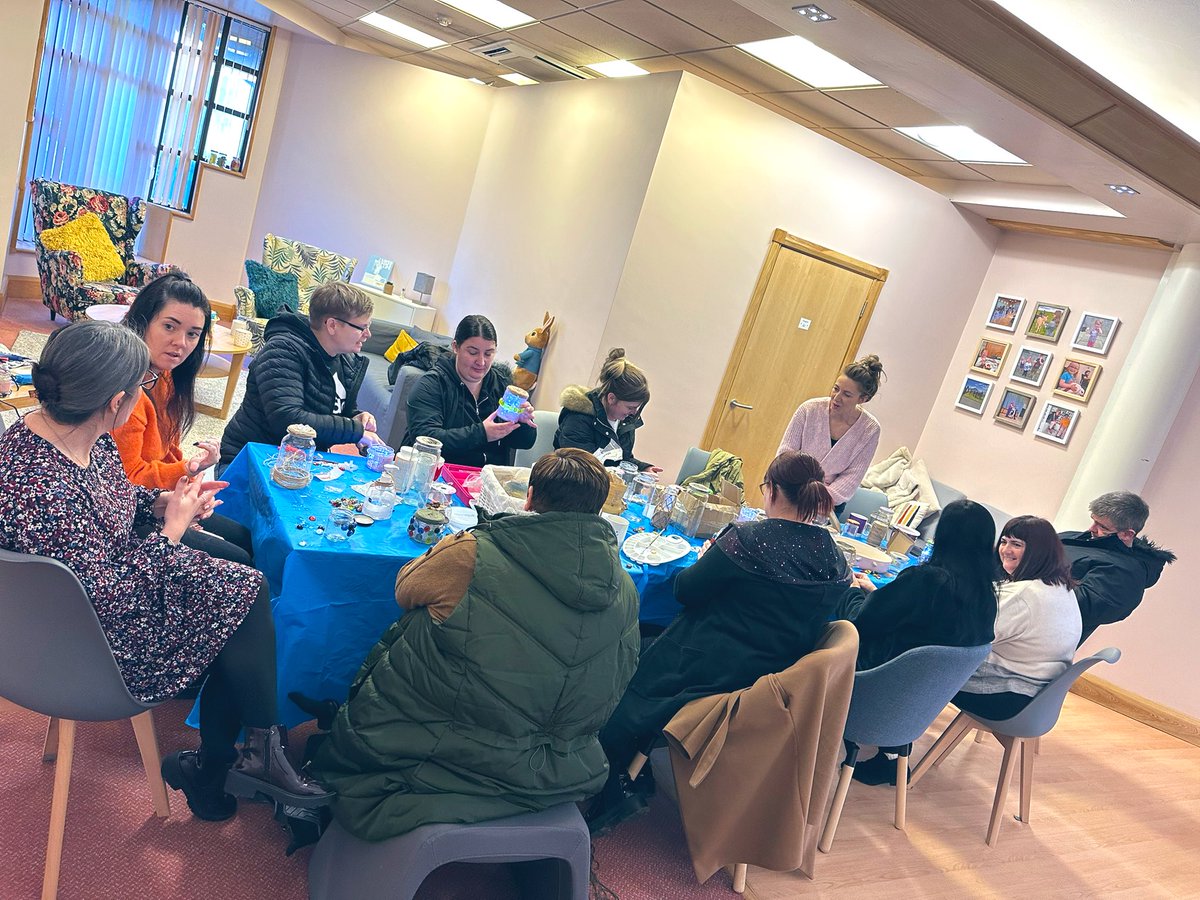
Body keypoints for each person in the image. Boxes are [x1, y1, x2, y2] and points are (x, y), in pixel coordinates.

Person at [0, 321, 326, 823]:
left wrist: (159, 503)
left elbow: (113, 500)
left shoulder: (69, 435)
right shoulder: (47, 487)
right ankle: (235, 759)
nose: (144, 395)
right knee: (238, 599)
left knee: (240, 586)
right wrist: (171, 531)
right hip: (86, 646)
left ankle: (232, 760)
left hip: (67, 613)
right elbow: (111, 600)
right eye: (140, 387)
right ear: (115, 401)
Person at [310, 448, 639, 841]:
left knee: (423, 619)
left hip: (448, 753)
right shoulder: (626, 585)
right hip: (561, 766)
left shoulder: (473, 552)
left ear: (529, 497)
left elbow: (405, 589)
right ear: (600, 511)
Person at [588, 451, 851, 835]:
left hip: (706, 670)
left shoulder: (747, 540)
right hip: (771, 683)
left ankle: (614, 779)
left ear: (773, 490)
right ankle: (634, 768)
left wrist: (711, 556)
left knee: (627, 649)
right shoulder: (835, 558)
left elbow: (685, 590)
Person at [835, 499, 997, 784]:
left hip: (868, 689)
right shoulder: (986, 598)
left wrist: (850, 589)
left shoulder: (926, 581)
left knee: (830, 619)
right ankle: (890, 757)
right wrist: (878, 594)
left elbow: (861, 624)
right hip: (914, 706)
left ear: (943, 536)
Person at [114, 273, 253, 564]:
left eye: (192, 334)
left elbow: (167, 450)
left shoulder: (163, 375)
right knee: (239, 557)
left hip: (160, 497)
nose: (181, 343)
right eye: (169, 327)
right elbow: (128, 482)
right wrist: (183, 480)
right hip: (134, 514)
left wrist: (189, 481)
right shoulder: (126, 392)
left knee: (246, 537)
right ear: (142, 321)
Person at [219, 282, 384, 467]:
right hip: (253, 459)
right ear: (332, 325)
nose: (368, 334)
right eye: (362, 327)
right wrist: (355, 431)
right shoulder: (282, 350)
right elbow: (288, 418)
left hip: (299, 461)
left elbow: (338, 409)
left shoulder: (344, 359)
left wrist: (357, 417)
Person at [953, 516, 1081, 721]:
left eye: (1016, 544)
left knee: (919, 660)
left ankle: (894, 740)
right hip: (1037, 695)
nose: (1005, 550)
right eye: (1004, 541)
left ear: (1037, 552)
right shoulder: (1060, 586)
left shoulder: (1026, 594)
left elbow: (969, 635)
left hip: (1005, 693)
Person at [403, 314, 536, 467]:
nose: (481, 362)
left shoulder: (501, 384)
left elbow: (524, 443)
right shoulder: (431, 385)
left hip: (485, 478)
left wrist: (523, 423)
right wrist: (482, 433)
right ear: (455, 347)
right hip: (440, 472)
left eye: (488, 353)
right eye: (472, 352)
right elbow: (426, 439)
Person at [1059, 491, 1175, 644]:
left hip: (1040, 639)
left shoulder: (1125, 573)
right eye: (1093, 520)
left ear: (1127, 534)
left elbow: (1077, 606)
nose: (1091, 529)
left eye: (1102, 527)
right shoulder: (1075, 537)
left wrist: (1028, 576)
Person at [777, 354, 885, 511]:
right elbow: (785, 454)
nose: (837, 397)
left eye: (847, 395)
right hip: (791, 489)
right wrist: (797, 491)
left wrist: (819, 499)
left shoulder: (870, 430)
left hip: (828, 502)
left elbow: (852, 476)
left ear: (862, 399)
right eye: (836, 389)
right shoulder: (809, 409)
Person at [554, 347, 661, 472]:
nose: (634, 412)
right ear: (611, 399)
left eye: (637, 407)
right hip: (571, 481)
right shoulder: (578, 418)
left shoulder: (625, 420)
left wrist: (644, 468)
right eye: (630, 407)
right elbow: (579, 467)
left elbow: (621, 459)